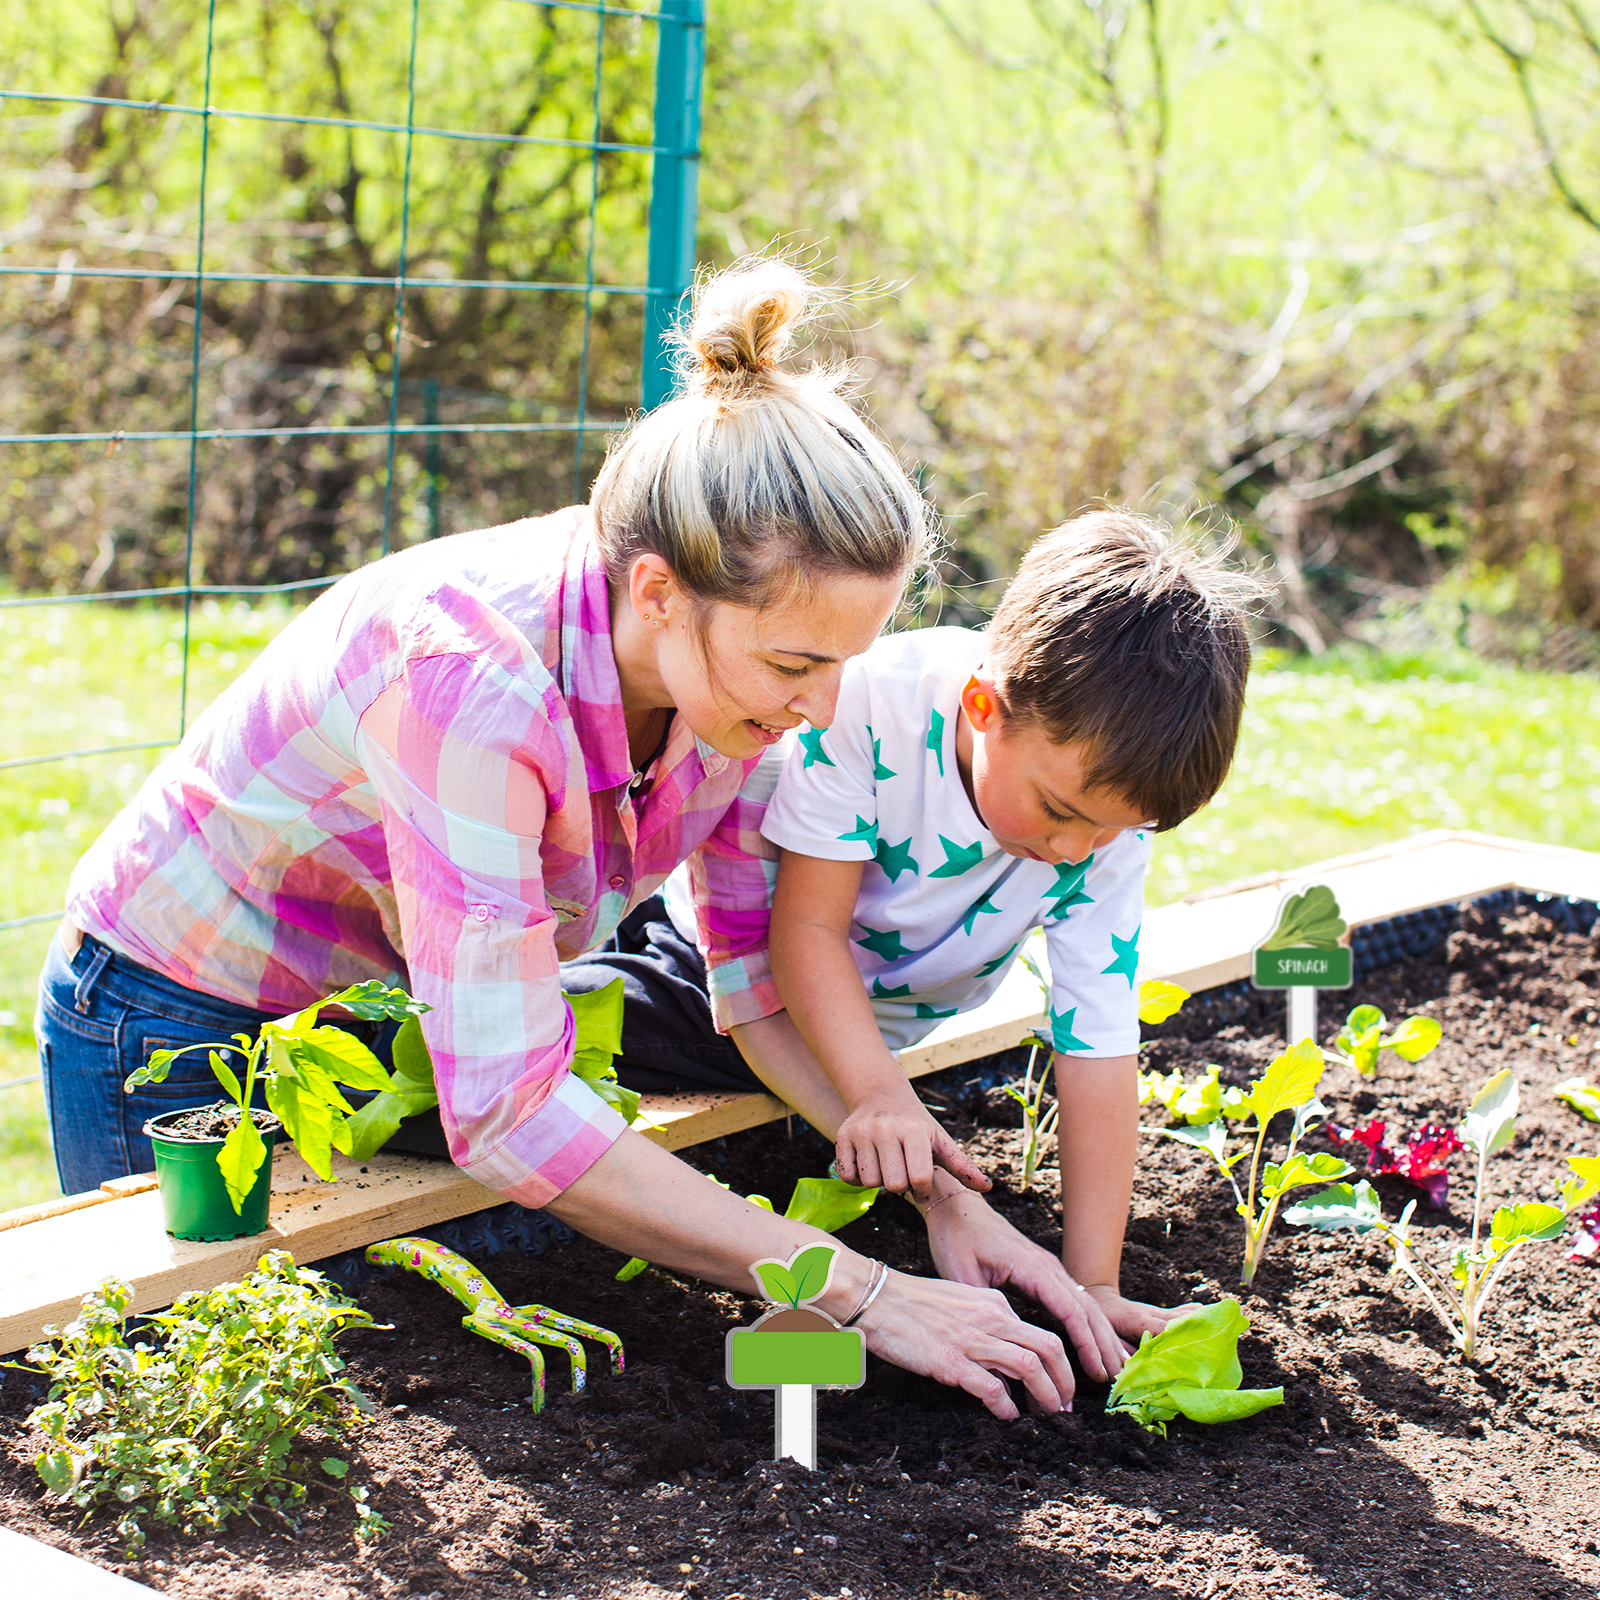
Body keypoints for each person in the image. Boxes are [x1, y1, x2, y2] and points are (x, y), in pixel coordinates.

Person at [36, 256, 1092, 1419]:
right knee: (196, 1402)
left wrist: (946, 1198)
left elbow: (751, 983)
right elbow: (508, 1109)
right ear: (658, 592)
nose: (824, 706)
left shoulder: (727, 687)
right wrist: (859, 1291)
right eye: (798, 662)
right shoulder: (468, 683)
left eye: (846, 660)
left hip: (370, 1017)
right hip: (179, 1016)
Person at [569, 510, 1255, 1349]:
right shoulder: (871, 706)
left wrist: (1096, 1284)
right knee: (546, 1035)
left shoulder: (1101, 818)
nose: (1077, 850)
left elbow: (1099, 1043)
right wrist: (880, 1097)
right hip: (713, 980)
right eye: (1057, 812)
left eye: (1114, 829)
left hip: (852, 1029)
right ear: (983, 706)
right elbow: (804, 935)